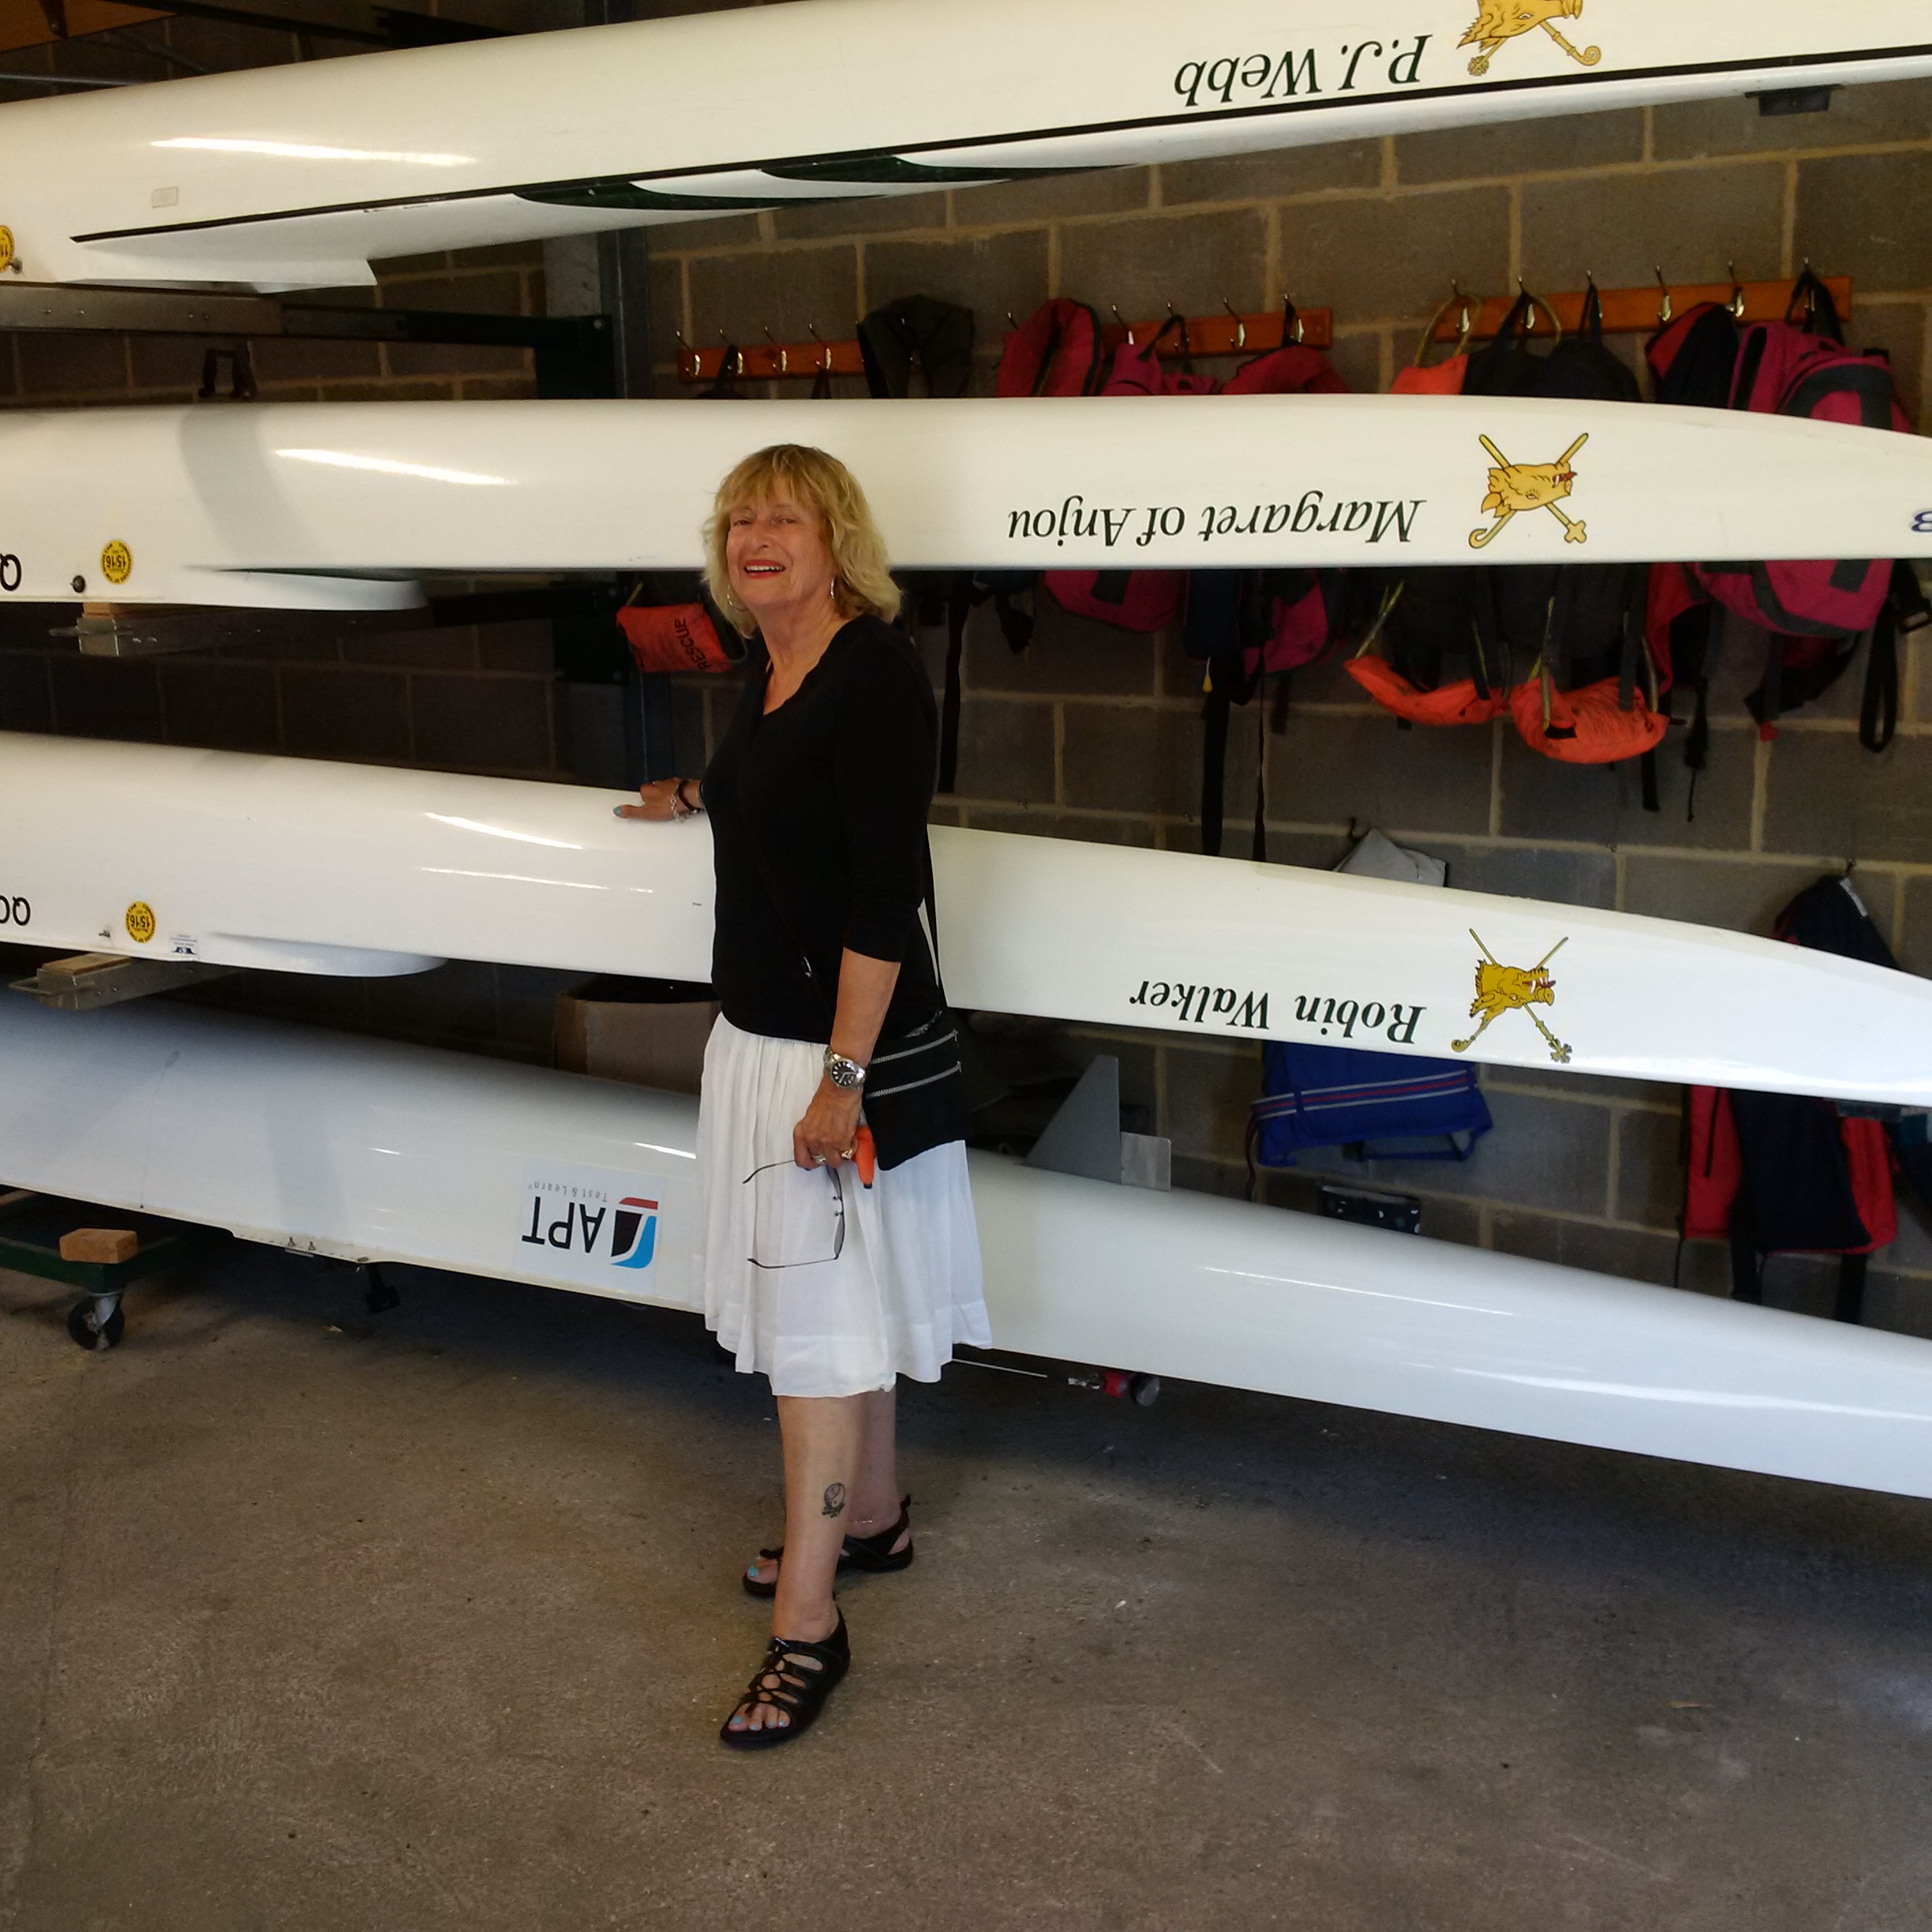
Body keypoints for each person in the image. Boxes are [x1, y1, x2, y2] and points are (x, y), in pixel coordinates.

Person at [620, 444, 989, 1749]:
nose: (755, 537)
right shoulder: (768, 662)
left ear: (837, 540)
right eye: (739, 519)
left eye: (783, 516)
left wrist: (841, 1079)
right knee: (844, 1313)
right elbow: (776, 786)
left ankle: (809, 1626)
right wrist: (694, 793)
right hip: (766, 1042)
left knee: (816, 1347)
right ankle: (872, 1520)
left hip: (830, 1057)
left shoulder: (873, 675)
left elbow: (884, 896)